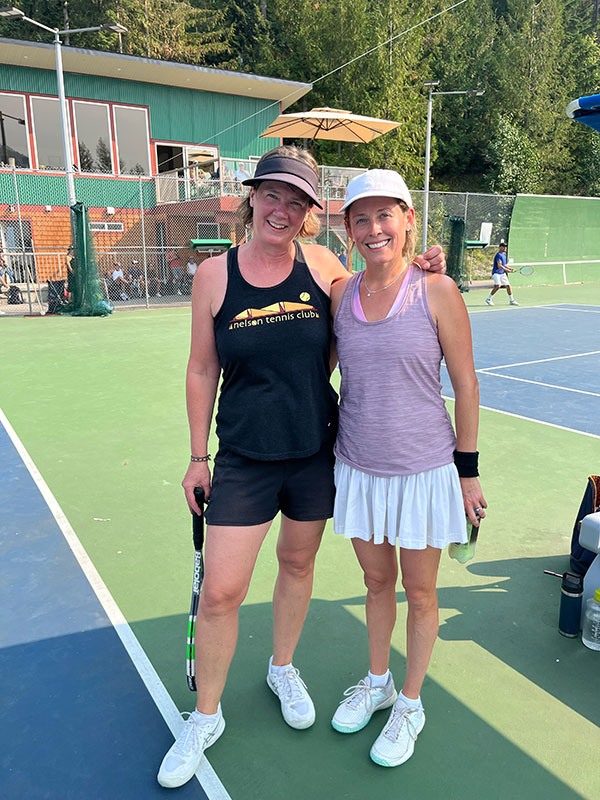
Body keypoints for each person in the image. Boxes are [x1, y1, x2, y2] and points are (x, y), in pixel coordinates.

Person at [157, 147, 447, 790]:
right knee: (222, 592)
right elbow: (202, 367)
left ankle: (281, 667)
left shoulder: (322, 266)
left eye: (297, 202)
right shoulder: (214, 275)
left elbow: (377, 295)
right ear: (252, 197)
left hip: (316, 451)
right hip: (243, 456)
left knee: (296, 563)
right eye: (273, 195)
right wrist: (198, 457)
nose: (282, 211)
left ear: (310, 213)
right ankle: (205, 716)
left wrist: (422, 267)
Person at [329, 170, 486, 768]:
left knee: (420, 592)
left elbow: (467, 385)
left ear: (408, 219)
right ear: (348, 229)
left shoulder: (437, 290)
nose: (374, 229)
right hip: (358, 467)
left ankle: (411, 704)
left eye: (385, 215)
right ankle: (379, 683)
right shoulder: (340, 294)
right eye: (361, 219)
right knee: (376, 584)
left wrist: (467, 472)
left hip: (425, 471)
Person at [485, 240, 518, 306]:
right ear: (500, 247)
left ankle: (511, 300)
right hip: (496, 273)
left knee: (508, 286)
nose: (505, 248)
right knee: (498, 285)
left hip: (502, 274)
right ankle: (488, 299)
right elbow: (499, 266)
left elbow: (504, 264)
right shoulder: (498, 255)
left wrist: (510, 268)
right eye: (504, 247)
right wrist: (507, 270)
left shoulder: (504, 255)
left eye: (506, 247)